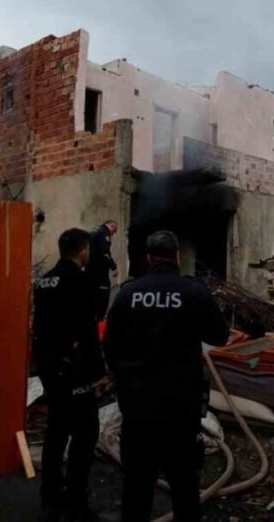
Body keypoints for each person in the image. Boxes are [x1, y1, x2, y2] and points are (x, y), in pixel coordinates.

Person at [104, 230, 230, 522]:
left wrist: (124, 378)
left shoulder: (127, 293)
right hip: (180, 409)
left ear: (148, 258)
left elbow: (110, 348)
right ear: (176, 256)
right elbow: (221, 336)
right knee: (185, 488)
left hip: (137, 409)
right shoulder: (194, 291)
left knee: (136, 488)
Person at [32, 228, 107, 522]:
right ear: (82, 250)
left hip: (49, 367)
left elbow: (39, 327)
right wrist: (98, 371)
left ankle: (50, 495)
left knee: (56, 429)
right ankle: (77, 501)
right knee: (85, 433)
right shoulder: (81, 280)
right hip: (73, 368)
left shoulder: (43, 281)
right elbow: (87, 329)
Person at [85, 220, 119, 321]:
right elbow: (105, 252)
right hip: (99, 271)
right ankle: (100, 319)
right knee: (103, 294)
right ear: (111, 226)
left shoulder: (95, 230)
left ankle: (92, 317)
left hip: (89, 269)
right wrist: (113, 267)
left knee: (91, 296)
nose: (112, 235)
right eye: (114, 232)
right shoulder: (104, 233)